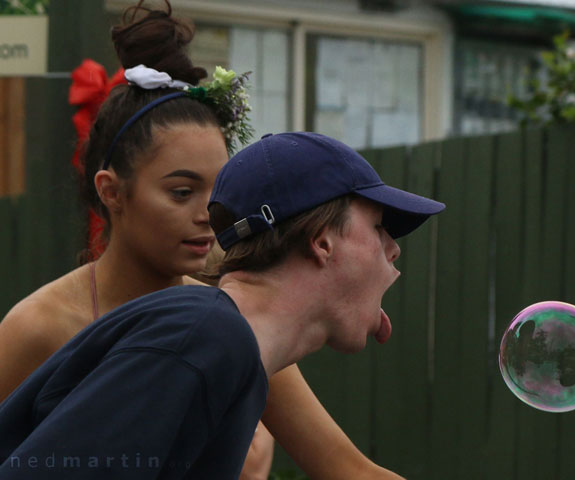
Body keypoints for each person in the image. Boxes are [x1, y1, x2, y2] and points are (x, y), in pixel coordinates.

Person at [0, 3, 415, 479]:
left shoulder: (233, 328)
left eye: (217, 195)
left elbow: (345, 468)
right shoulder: (45, 325)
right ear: (111, 191)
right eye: (181, 191)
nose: (205, 215)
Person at [0, 131, 446, 478]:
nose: (394, 250)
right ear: (322, 241)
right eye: (379, 226)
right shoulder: (204, 336)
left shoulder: (225, 347)